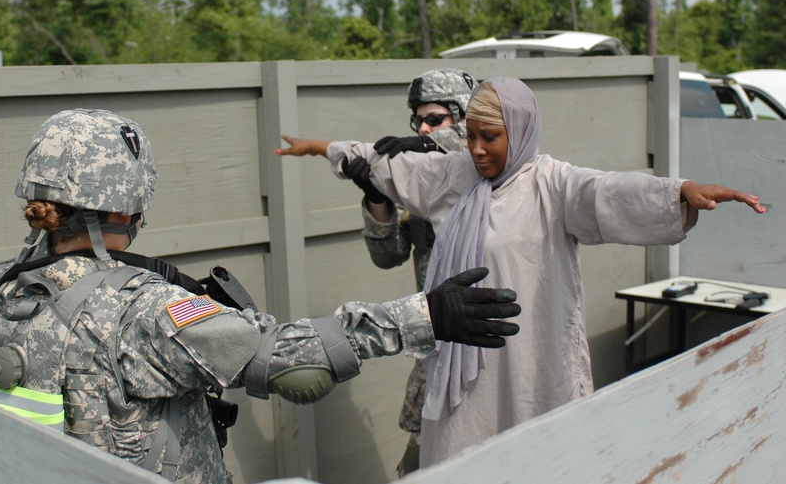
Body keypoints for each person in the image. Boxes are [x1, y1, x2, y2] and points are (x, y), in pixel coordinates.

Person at [0, 108, 523, 484]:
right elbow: (288, 360)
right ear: (123, 207)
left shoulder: (0, 291)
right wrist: (423, 316)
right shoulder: (144, 310)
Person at [278, 76, 765, 467]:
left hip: (534, 365)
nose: (477, 149)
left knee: (540, 461)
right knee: (462, 463)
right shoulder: (456, 176)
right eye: (470, 136)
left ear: (521, 128)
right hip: (462, 372)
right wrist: (320, 147)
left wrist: (679, 190)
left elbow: (610, 191)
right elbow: (386, 167)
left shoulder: (553, 185)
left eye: (489, 136)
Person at [290, 67, 475, 477]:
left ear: (463, 118)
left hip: (487, 352)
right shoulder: (420, 182)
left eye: (436, 119)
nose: (424, 128)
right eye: (419, 121)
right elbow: (389, 254)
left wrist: (423, 144)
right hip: (438, 350)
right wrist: (376, 196)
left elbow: (479, 148)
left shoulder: (489, 171)